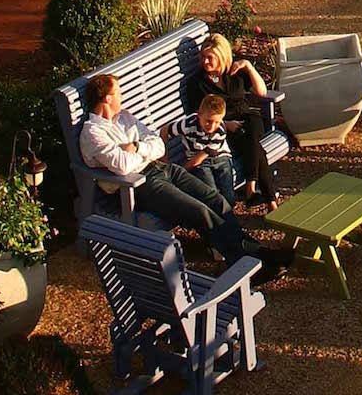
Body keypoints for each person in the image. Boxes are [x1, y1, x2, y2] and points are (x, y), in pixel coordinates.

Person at [77, 73, 271, 268]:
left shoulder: (125, 118)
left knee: (216, 200)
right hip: (141, 184)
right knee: (200, 211)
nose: (121, 96)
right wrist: (145, 151)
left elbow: (158, 144)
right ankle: (245, 263)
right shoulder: (93, 133)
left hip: (165, 168)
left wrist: (137, 146)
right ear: (107, 98)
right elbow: (123, 165)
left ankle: (253, 250)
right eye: (118, 92)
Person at [198, 31, 291, 204]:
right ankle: (269, 200)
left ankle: (250, 186)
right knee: (255, 146)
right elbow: (199, 115)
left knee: (253, 130)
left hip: (248, 118)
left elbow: (262, 92)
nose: (205, 61)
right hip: (224, 125)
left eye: (210, 57)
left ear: (222, 56)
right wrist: (225, 124)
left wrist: (248, 66)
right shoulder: (198, 83)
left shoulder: (235, 73)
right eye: (203, 57)